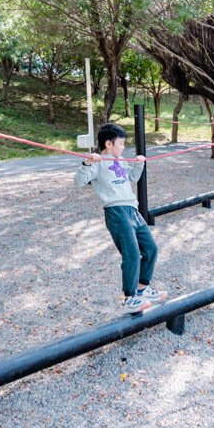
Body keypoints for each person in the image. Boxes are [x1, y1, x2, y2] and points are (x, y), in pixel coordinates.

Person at [75, 123, 167, 314]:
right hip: (116, 211)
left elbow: (132, 178)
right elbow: (79, 181)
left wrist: (139, 163)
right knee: (132, 253)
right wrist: (87, 164)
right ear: (109, 143)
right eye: (121, 143)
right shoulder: (98, 162)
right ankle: (128, 297)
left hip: (132, 209)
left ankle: (142, 288)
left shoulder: (121, 160)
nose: (124, 147)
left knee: (150, 248)